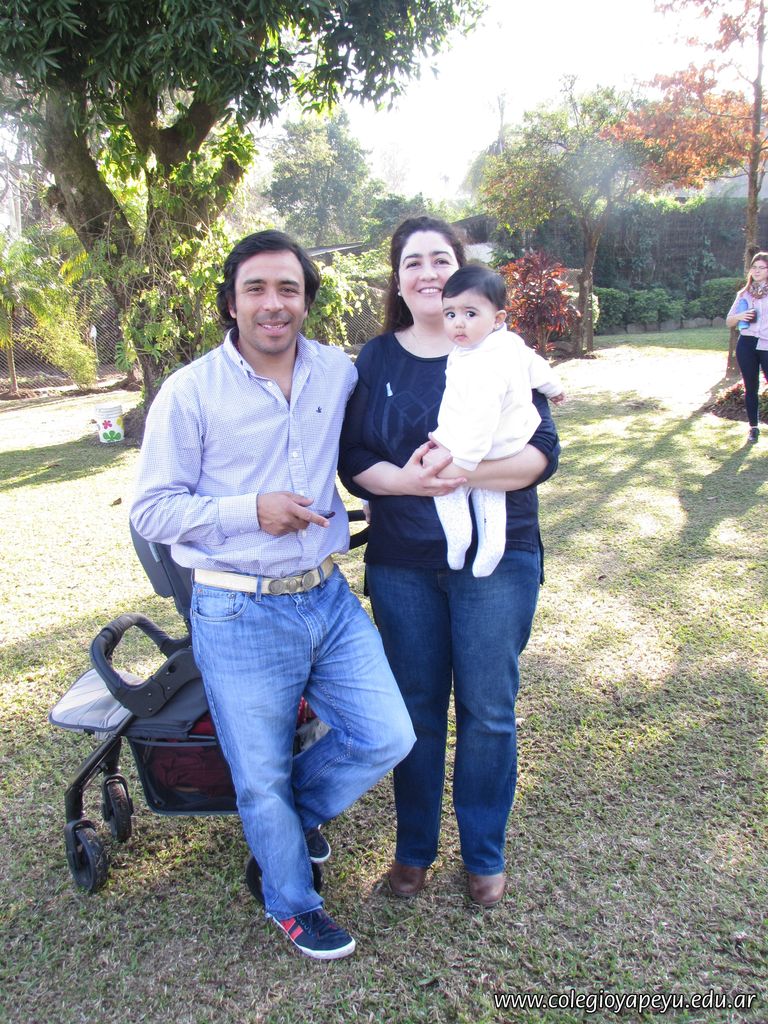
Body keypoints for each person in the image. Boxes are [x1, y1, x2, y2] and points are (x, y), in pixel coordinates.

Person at [130, 230, 415, 961]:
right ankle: (291, 900)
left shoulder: (337, 371)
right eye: (254, 288)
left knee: (387, 734)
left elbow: (385, 421)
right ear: (231, 303)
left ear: (307, 300)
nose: (273, 303)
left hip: (327, 598)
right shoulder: (190, 391)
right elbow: (151, 511)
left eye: (288, 288)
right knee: (258, 777)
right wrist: (248, 510)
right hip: (237, 608)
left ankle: (285, 823)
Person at [338, 216, 560, 908]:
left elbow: (542, 451)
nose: (428, 273)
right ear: (398, 280)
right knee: (417, 708)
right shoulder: (375, 360)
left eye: (441, 259)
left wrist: (463, 474)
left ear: (463, 272)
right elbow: (353, 458)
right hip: (403, 563)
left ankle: (484, 854)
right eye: (413, 262)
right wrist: (411, 483)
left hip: (498, 558)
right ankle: (414, 850)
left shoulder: (501, 349)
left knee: (489, 710)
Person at [431, 264, 564, 578]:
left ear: (498, 318)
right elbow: (535, 365)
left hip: (480, 446)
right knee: (491, 497)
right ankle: (490, 549)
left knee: (449, 491)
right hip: (507, 444)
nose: (458, 323)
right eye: (450, 314)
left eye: (470, 313)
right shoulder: (508, 344)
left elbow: (482, 418)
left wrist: (464, 464)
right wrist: (554, 388)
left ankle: (458, 542)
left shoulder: (483, 365)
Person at [725, 252, 768, 444]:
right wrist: (740, 316)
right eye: (754, 267)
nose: (757, 271)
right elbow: (729, 321)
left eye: (761, 267)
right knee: (751, 387)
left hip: (766, 343)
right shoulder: (744, 294)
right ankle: (753, 428)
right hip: (747, 344)